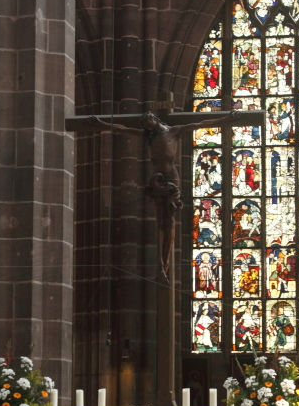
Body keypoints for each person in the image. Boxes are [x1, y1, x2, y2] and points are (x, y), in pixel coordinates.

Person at [89, 108, 244, 279]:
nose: (147, 126)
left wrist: (226, 118)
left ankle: (166, 261)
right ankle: (160, 263)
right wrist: (101, 124)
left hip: (171, 176)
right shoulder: (148, 136)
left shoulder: (173, 131)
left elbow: (201, 123)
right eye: (145, 125)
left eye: (148, 121)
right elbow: (122, 129)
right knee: (159, 219)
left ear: (154, 118)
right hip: (156, 177)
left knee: (169, 219)